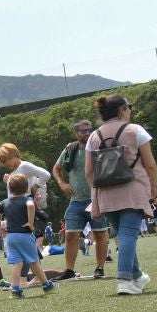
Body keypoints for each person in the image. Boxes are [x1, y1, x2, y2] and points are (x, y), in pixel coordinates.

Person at [86, 93, 157, 296]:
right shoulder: (136, 131)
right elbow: (150, 164)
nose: (130, 110)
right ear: (122, 110)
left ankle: (136, 275)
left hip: (105, 193)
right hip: (132, 189)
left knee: (122, 234)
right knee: (128, 235)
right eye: (129, 107)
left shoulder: (94, 136)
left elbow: (89, 173)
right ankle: (124, 280)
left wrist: (96, 192)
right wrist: (152, 186)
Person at [53, 119, 111, 280]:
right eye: (83, 131)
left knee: (100, 235)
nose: (87, 133)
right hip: (76, 201)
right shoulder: (70, 148)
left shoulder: (99, 146)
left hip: (96, 199)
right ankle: (69, 270)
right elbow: (56, 168)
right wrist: (62, 183)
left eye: (89, 130)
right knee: (71, 235)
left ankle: (100, 268)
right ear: (76, 133)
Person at [0, 174, 57, 298]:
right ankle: (47, 285)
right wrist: (30, 222)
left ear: (9, 189)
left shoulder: (5, 202)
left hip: (11, 237)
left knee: (17, 263)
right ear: (26, 189)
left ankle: (15, 290)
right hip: (24, 235)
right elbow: (30, 206)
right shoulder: (27, 200)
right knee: (34, 261)